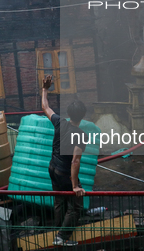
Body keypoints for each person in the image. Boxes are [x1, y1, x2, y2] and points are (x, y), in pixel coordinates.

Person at [41, 75, 87, 247]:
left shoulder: (60, 122)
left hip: (52, 168)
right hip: (64, 173)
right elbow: (75, 161)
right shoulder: (81, 135)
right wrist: (75, 185)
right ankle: (61, 237)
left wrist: (45, 89)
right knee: (76, 207)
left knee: (59, 201)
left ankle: (56, 234)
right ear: (82, 116)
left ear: (68, 114)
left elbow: (45, 107)